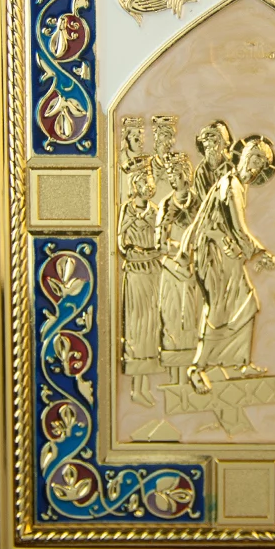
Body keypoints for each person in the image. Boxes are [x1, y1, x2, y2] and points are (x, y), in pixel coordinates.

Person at [179, 134, 275, 395]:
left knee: (246, 302)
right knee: (218, 310)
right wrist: (259, 251)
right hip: (213, 254)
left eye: (262, 164)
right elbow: (238, 227)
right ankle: (197, 368)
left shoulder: (238, 185)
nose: (256, 168)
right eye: (255, 159)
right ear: (245, 157)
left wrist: (251, 251)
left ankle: (240, 363)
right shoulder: (230, 185)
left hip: (226, 254)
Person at [154, 152, 201, 381]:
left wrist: (191, 252)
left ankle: (193, 372)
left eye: (177, 174)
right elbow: (159, 242)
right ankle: (173, 377)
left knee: (193, 319)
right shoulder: (166, 205)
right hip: (172, 270)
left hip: (193, 270)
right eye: (170, 174)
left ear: (186, 175)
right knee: (172, 319)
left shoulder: (199, 204)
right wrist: (179, 249)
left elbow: (203, 233)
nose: (173, 178)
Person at [117, 169, 161, 406]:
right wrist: (132, 250)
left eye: (150, 182)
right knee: (135, 326)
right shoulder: (127, 210)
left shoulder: (155, 211)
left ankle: (144, 388)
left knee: (150, 327)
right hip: (134, 272)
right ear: (135, 185)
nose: (149, 186)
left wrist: (148, 252)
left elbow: (160, 242)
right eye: (144, 182)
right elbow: (120, 242)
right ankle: (135, 388)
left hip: (152, 271)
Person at [193, 120, 234, 201]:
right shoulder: (201, 171)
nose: (209, 145)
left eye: (213, 141)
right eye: (205, 142)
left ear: (225, 144)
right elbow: (203, 200)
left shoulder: (232, 167)